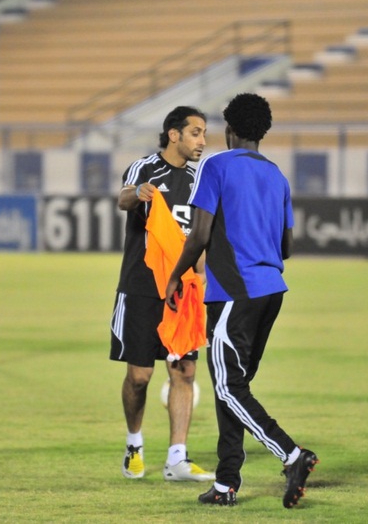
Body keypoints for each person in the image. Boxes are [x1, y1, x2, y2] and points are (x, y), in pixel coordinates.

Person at [165, 93, 318, 508]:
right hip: (271, 292)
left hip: (234, 292)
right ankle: (226, 483)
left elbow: (198, 234)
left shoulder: (216, 165)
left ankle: (292, 455)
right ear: (261, 132)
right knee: (231, 387)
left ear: (229, 129)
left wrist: (176, 274)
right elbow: (286, 245)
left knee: (229, 387)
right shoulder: (277, 176)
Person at [110, 106, 215, 482]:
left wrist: (203, 282)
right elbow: (123, 199)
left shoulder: (201, 178)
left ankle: (177, 459)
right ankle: (134, 443)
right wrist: (138, 193)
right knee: (139, 377)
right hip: (141, 287)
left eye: (204, 134)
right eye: (196, 133)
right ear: (174, 134)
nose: (203, 140)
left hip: (182, 293)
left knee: (183, 372)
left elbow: (200, 241)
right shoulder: (146, 168)